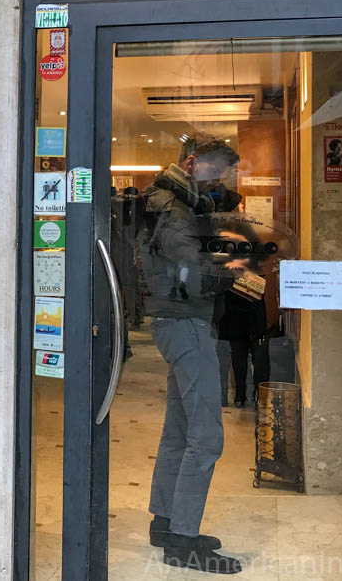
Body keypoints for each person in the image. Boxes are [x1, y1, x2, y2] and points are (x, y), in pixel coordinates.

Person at [139, 136, 243, 574]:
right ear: (192, 162)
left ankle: (165, 523)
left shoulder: (166, 201)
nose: (217, 179)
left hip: (171, 321)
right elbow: (192, 272)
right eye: (214, 170)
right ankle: (182, 540)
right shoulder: (176, 210)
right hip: (185, 322)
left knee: (179, 429)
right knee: (206, 437)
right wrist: (236, 265)